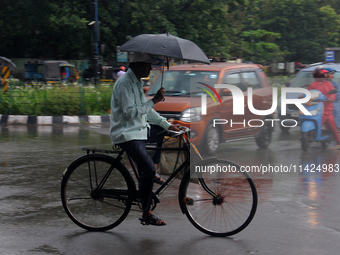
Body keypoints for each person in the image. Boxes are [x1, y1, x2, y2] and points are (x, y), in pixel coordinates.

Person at [110, 52, 179, 226]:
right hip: (127, 134)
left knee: (165, 133)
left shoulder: (136, 83)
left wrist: (167, 125)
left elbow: (146, 111)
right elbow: (131, 112)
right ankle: (147, 212)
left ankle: (150, 172)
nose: (150, 68)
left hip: (139, 130)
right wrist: (153, 101)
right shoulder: (124, 84)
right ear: (138, 65)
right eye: (148, 65)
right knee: (147, 168)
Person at [307, 68, 340, 150]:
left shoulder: (328, 84)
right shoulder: (312, 85)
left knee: (333, 127)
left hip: (327, 109)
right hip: (316, 108)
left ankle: (339, 143)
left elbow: (334, 93)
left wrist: (331, 98)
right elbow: (307, 93)